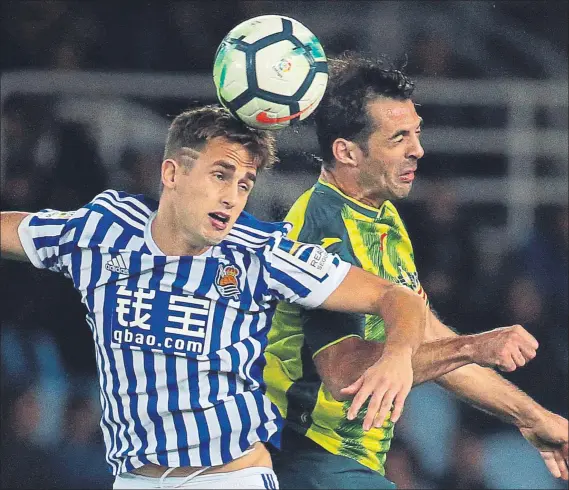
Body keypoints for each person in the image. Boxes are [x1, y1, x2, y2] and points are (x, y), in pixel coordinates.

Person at [0, 104, 435, 489]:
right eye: (220, 175)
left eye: (245, 184)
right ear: (172, 173)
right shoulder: (103, 231)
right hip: (135, 479)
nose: (231, 198)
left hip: (233, 477)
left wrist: (397, 355)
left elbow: (397, 297)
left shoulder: (260, 251)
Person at [263, 53, 569, 489]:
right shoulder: (324, 229)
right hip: (307, 458)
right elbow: (345, 374)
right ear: (346, 151)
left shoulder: (380, 215)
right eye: (398, 138)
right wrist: (475, 347)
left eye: (417, 133)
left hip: (349, 461)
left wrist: (534, 417)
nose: (418, 150)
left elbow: (425, 342)